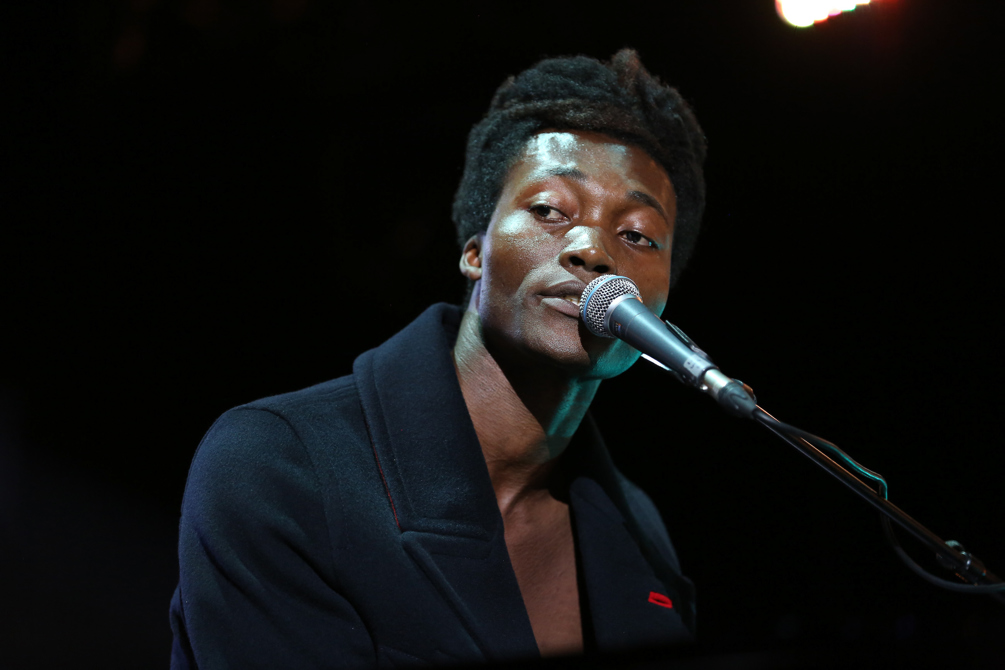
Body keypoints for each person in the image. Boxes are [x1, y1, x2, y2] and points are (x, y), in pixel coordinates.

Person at [169, 48, 707, 668]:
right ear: (475, 252)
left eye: (637, 234)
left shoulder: (642, 538)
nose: (592, 249)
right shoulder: (277, 463)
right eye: (550, 210)